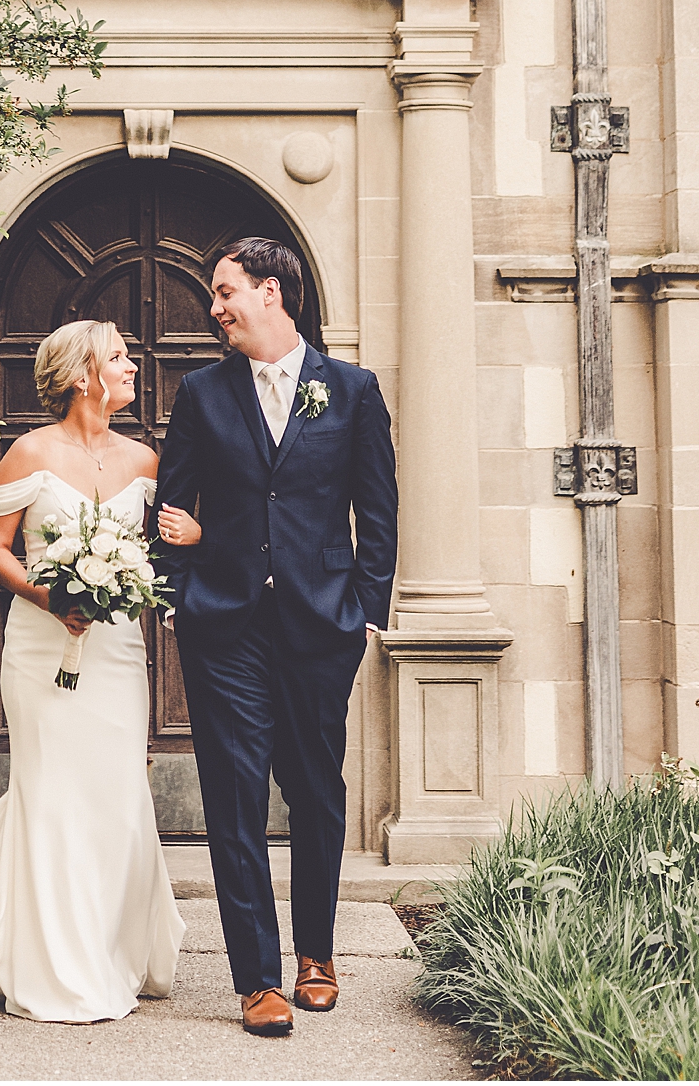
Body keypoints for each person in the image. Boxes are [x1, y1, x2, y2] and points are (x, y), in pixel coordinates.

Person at [152, 237, 398, 1037]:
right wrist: (183, 580)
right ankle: (257, 978)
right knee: (233, 795)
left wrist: (367, 608)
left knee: (317, 790)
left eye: (225, 292)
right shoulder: (201, 392)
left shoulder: (351, 391)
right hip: (224, 627)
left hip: (322, 623)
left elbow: (379, 507)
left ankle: (317, 955)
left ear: (270, 291)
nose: (214, 306)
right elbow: (171, 504)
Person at [0, 319, 201, 1023]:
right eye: (120, 358)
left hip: (116, 652)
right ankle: (51, 964)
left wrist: (193, 536)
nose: (134, 367)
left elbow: (175, 548)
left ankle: (109, 951)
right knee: (51, 790)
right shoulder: (27, 454)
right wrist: (48, 596)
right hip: (41, 650)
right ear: (83, 374)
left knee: (112, 793)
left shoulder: (146, 460)